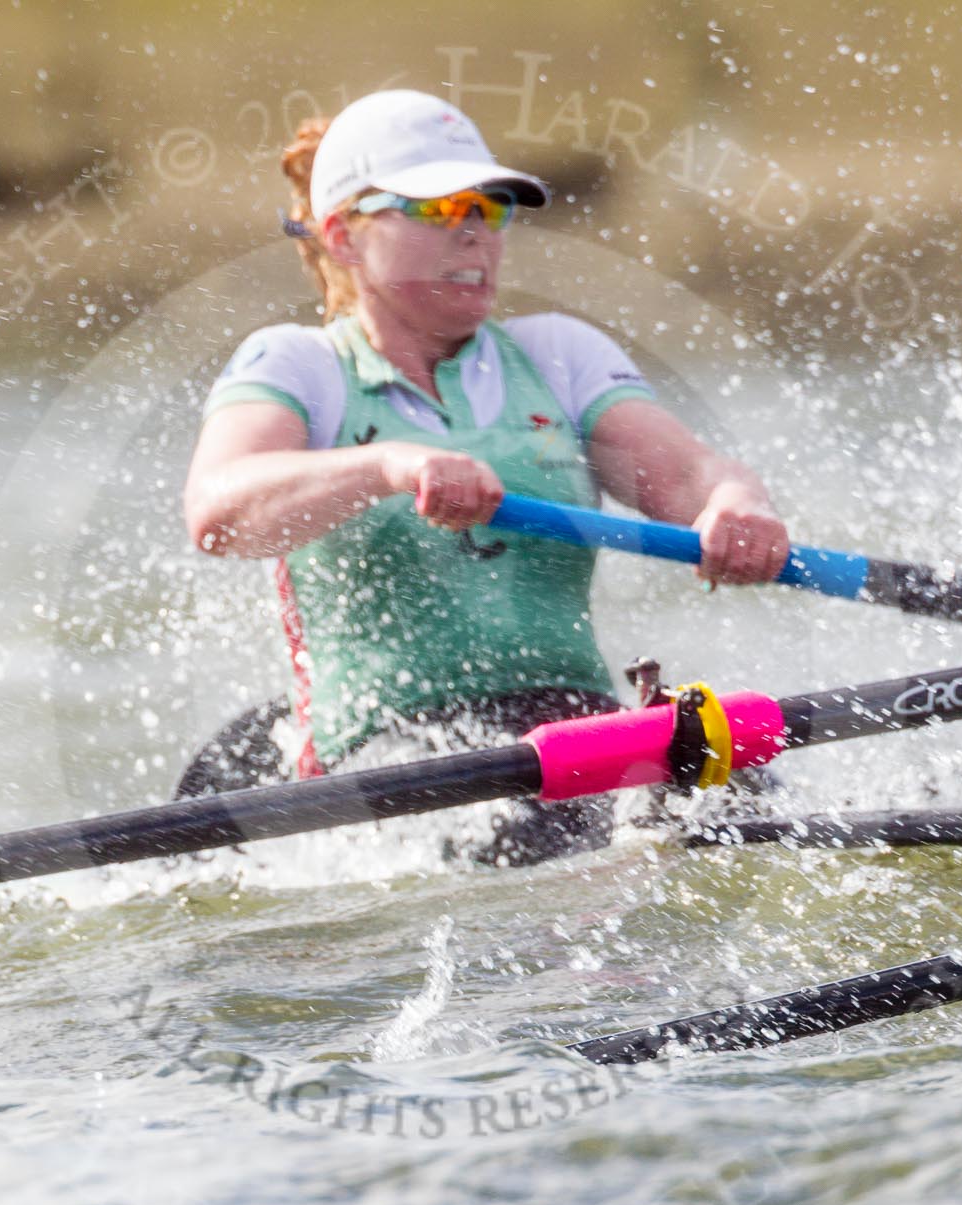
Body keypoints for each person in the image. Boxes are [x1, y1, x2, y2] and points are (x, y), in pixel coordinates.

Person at [183, 89, 789, 862]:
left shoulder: (558, 355)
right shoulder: (301, 367)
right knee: (578, 849)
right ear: (343, 235)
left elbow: (686, 477)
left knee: (747, 802)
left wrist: (736, 505)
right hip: (393, 757)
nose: (475, 231)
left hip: (574, 732)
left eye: (491, 207)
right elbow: (218, 513)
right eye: (438, 209)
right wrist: (389, 465)